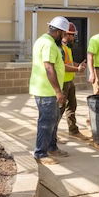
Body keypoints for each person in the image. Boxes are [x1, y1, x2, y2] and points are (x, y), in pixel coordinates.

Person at [29, 16, 70, 165]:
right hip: (46, 91)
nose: (65, 37)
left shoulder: (42, 40)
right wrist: (58, 91)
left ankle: (52, 147)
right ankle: (40, 153)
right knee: (46, 122)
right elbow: (48, 67)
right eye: (64, 33)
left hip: (45, 89)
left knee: (52, 120)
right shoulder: (49, 45)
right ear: (58, 32)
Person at [59, 22, 87, 138]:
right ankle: (52, 135)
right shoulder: (60, 48)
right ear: (65, 34)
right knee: (59, 109)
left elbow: (69, 63)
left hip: (69, 81)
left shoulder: (68, 48)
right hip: (62, 83)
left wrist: (78, 65)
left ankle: (73, 130)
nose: (73, 37)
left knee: (72, 106)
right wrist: (77, 69)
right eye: (72, 35)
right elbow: (62, 66)